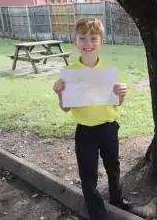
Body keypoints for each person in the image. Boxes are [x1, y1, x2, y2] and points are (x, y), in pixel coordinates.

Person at [53, 18, 130, 220]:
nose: (88, 43)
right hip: (85, 131)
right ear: (75, 42)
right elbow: (65, 107)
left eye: (93, 38)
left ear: (101, 42)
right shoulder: (69, 73)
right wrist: (59, 92)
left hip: (108, 127)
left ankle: (117, 200)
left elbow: (117, 103)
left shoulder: (108, 70)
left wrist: (121, 92)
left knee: (113, 167)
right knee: (88, 176)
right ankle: (98, 215)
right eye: (83, 38)